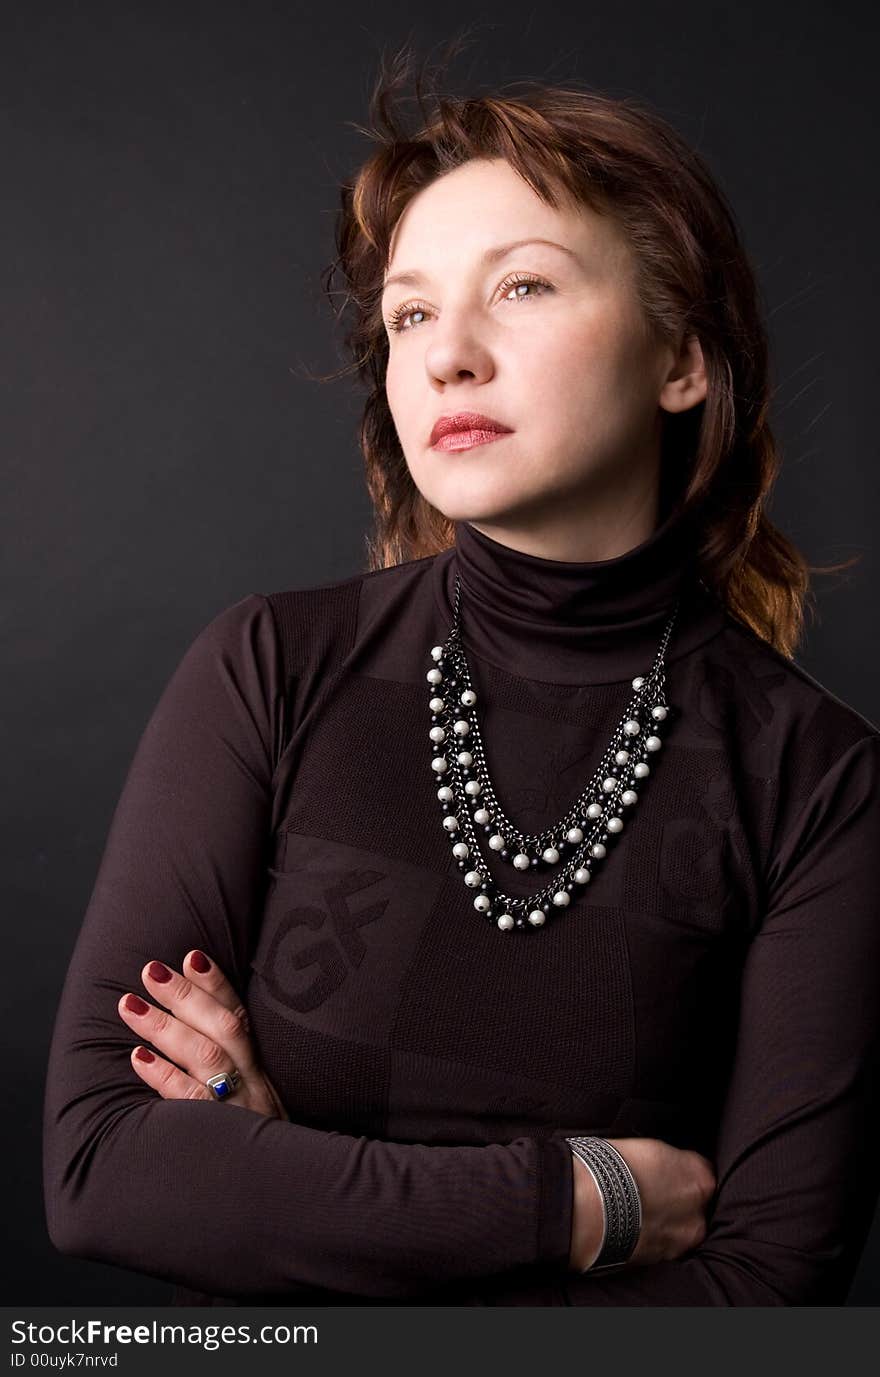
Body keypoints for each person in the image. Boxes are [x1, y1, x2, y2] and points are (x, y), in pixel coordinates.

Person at [43, 47, 880, 1307]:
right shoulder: (272, 666)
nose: (448, 357)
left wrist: (287, 1180)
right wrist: (579, 1201)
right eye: (412, 314)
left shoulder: (817, 781)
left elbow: (761, 1299)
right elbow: (102, 1165)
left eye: (524, 287)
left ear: (680, 361)